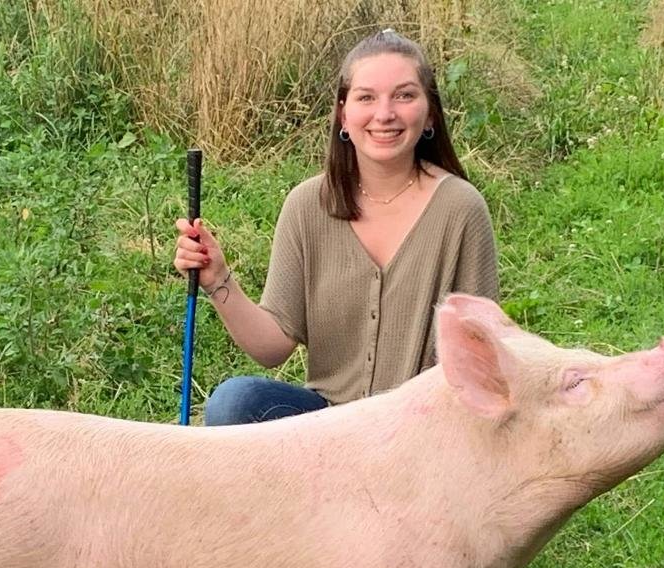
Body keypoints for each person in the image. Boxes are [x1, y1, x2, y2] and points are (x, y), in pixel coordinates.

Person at [173, 29, 499, 426]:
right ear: (344, 114)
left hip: (422, 434)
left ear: (430, 112)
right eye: (366, 97)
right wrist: (217, 278)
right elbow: (273, 346)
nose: (384, 114)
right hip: (329, 434)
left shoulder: (460, 209)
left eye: (404, 95)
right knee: (235, 401)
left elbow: (483, 355)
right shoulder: (307, 205)